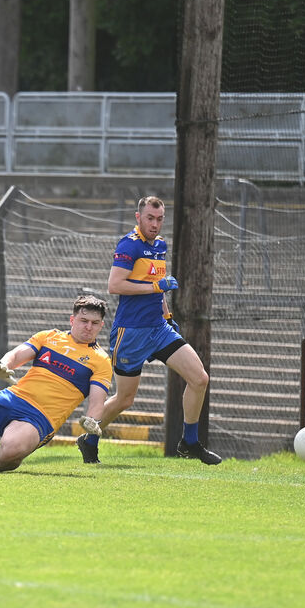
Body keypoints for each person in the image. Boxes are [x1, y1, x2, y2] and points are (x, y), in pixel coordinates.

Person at [76, 195, 220, 465]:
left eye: (160, 219)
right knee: (125, 399)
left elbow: (157, 283)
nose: (155, 224)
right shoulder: (129, 246)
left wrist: (167, 314)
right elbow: (115, 285)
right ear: (138, 217)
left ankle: (189, 442)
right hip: (131, 334)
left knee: (199, 378)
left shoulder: (160, 245)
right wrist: (156, 287)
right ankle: (89, 439)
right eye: (150, 218)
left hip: (159, 328)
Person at [0, 295, 111, 472]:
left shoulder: (101, 360)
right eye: (84, 320)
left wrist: (92, 420)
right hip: (12, 398)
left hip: (41, 417)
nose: (88, 327)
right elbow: (17, 354)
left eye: (95, 323)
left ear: (101, 325)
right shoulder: (48, 337)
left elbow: (97, 401)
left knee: (9, 452)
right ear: (72, 320)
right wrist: (4, 364)